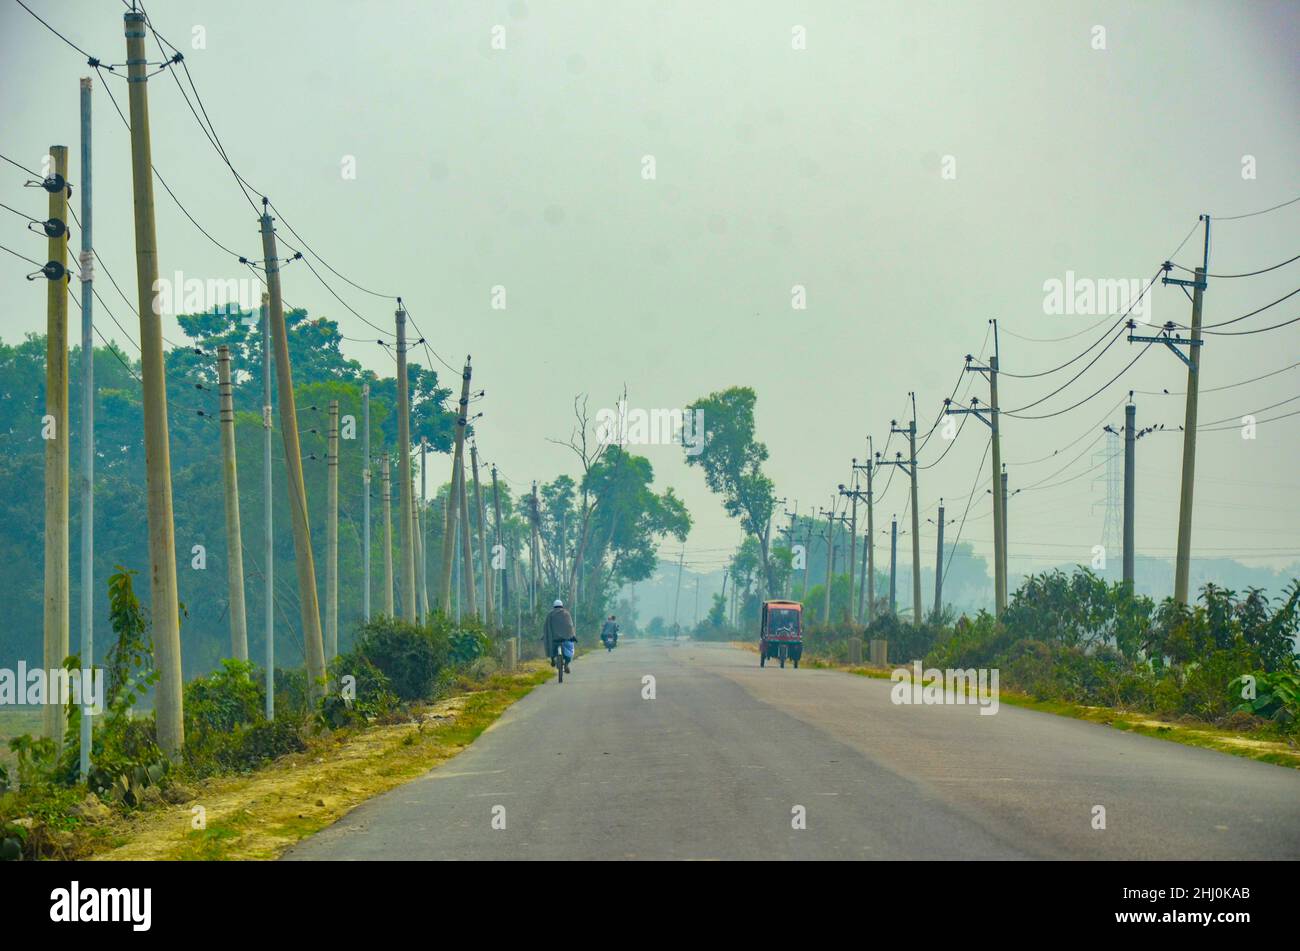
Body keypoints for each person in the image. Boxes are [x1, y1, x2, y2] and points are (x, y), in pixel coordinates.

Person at [543, 598, 576, 674]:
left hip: (554, 639)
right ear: (562, 606)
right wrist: (572, 635)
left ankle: (552, 660)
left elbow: (546, 627)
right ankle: (566, 664)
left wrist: (545, 635)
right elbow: (570, 626)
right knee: (570, 649)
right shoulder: (566, 614)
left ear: (554, 606)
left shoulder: (550, 614)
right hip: (565, 638)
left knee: (550, 646)